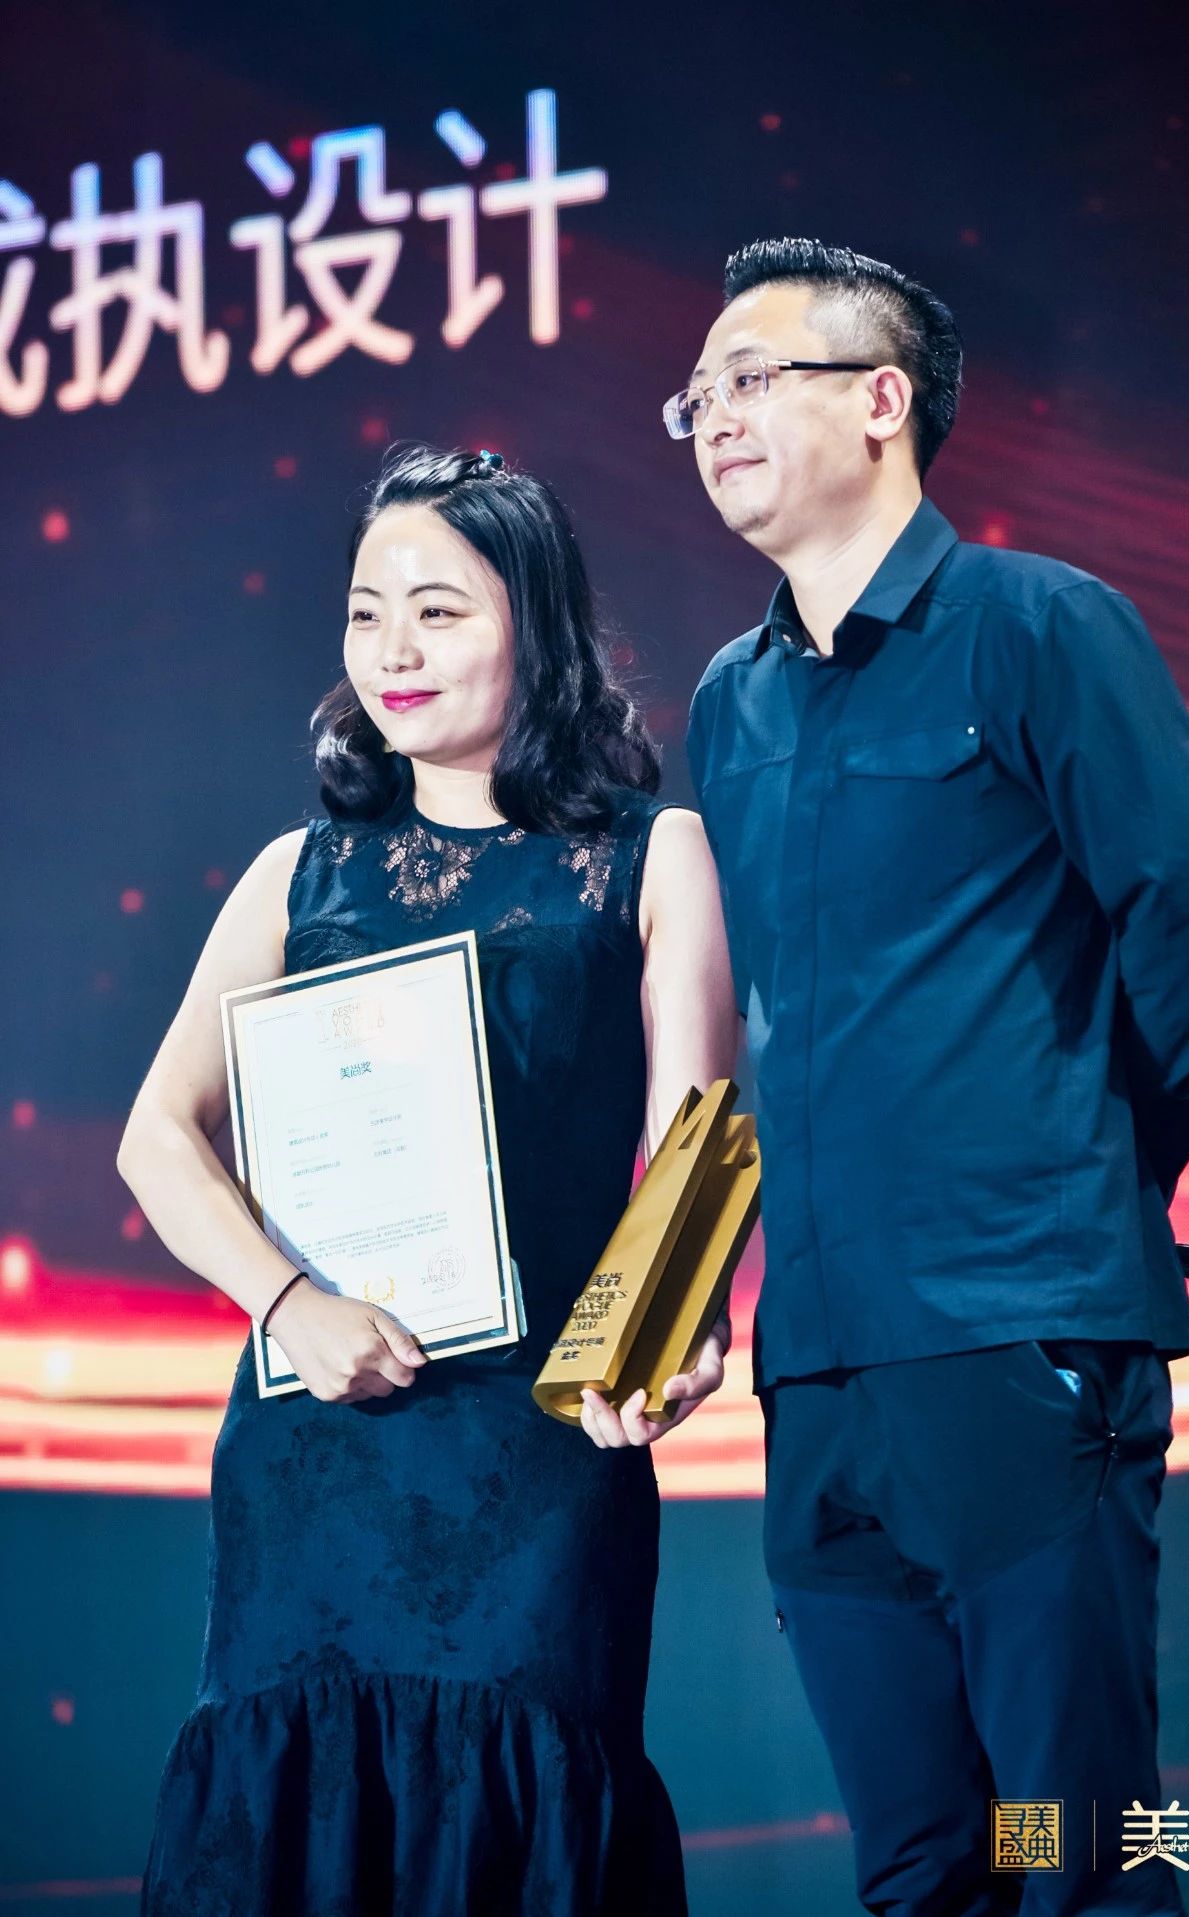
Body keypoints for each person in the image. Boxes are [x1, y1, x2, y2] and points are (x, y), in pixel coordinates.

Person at [672, 238, 1189, 1916]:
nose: (715, 416)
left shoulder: (1041, 628)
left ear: (882, 401)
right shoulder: (730, 702)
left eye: (751, 378)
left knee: (1076, 1851)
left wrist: (1076, 1180)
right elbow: (758, 1031)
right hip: (822, 1375)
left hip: (1021, 1343)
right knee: (930, 1859)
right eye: (696, 396)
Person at [118, 444, 740, 1916]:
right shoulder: (297, 875)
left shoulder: (650, 858)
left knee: (518, 1828)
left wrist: (683, 1321)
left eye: (439, 611)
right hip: (319, 1452)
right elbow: (158, 1137)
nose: (393, 649)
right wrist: (291, 1305)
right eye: (366, 613)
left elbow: (696, 1147)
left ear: (539, 625)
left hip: (543, 1450)